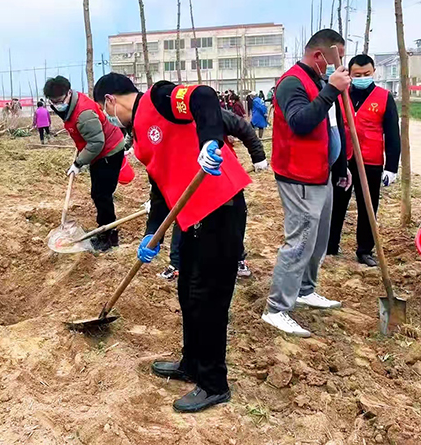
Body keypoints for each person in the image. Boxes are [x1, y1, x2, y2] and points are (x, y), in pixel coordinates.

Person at [94, 73, 252, 413]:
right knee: (188, 292)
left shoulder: (159, 98)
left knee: (210, 298)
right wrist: (154, 232)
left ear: (110, 100)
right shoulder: (137, 137)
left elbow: (204, 97)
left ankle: (213, 384)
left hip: (220, 206)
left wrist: (209, 141)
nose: (109, 118)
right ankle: (192, 363)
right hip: (191, 215)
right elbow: (160, 188)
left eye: (105, 111)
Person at [262, 29, 350, 338]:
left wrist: (340, 166)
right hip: (298, 175)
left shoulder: (319, 82)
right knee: (299, 241)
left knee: (318, 239)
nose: (338, 67)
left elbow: (330, 127)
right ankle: (276, 308)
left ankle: (305, 289)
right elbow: (300, 123)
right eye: (335, 59)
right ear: (318, 56)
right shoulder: (292, 83)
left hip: (320, 172)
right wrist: (331, 93)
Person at [158, 108, 267, 281]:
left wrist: (258, 156)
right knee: (184, 218)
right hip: (189, 178)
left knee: (235, 216)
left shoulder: (209, 111)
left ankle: (238, 259)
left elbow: (243, 128)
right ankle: (177, 264)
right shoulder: (166, 121)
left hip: (223, 171)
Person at [327, 54, 401, 267]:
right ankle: (331, 245)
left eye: (366, 74)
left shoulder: (384, 97)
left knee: (368, 206)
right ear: (349, 74)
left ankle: (364, 250)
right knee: (337, 203)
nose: (362, 77)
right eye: (357, 74)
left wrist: (391, 167)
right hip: (343, 158)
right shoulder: (340, 95)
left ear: (373, 72)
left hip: (371, 161)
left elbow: (392, 134)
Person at [44, 76, 125, 252]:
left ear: (68, 93)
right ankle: (105, 230)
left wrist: (78, 163)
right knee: (99, 193)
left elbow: (96, 143)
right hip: (98, 151)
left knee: (101, 195)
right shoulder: (71, 105)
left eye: (59, 101)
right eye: (53, 102)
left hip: (108, 152)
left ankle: (109, 237)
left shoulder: (84, 113)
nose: (57, 105)